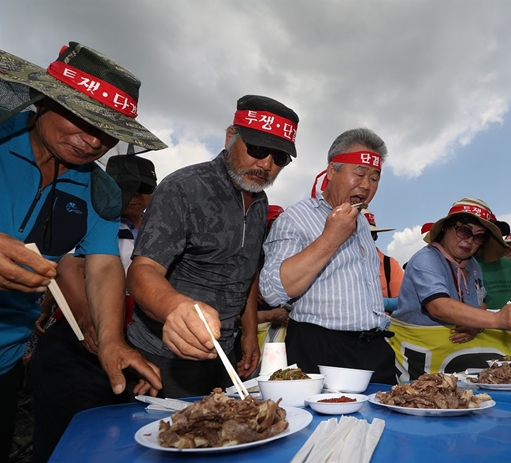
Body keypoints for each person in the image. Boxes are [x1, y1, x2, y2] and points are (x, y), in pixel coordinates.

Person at [0, 42, 165, 462]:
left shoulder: (100, 192)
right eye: (81, 118)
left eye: (108, 130)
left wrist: (109, 339)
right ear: (44, 98)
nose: (93, 140)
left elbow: (104, 264)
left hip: (6, 361)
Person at [126, 95, 299, 398]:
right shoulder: (184, 187)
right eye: (257, 149)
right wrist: (176, 308)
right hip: (165, 353)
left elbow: (246, 271)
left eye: (280, 157)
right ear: (232, 136)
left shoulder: (259, 201)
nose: (266, 164)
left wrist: (247, 333)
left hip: (226, 354)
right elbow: (142, 270)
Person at [29, 155, 157, 463]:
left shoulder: (155, 233)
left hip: (128, 346)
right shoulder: (89, 215)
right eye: (127, 188)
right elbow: (68, 266)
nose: (135, 197)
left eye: (144, 189)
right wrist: (89, 318)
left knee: (121, 444)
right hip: (82, 342)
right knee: (68, 443)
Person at [259, 128, 397, 384]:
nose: (366, 185)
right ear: (332, 171)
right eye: (359, 173)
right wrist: (330, 238)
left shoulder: (363, 224)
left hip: (374, 350)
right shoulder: (296, 218)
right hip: (321, 351)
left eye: (375, 178)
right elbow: (272, 291)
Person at [392, 198, 511, 342]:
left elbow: (481, 301)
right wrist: (496, 319)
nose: (470, 240)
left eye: (479, 236)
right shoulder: (425, 259)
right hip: (418, 346)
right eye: (465, 231)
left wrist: (476, 325)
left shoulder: (473, 265)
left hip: (452, 346)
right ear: (446, 228)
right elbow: (438, 306)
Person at [475, 219, 511, 310]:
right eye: (487, 234)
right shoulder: (469, 263)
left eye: (497, 233)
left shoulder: (506, 262)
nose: (494, 238)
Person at [361, 209, 404, 308]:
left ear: (375, 236)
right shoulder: (341, 261)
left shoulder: (389, 264)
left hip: (383, 321)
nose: (363, 238)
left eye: (369, 234)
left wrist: (372, 302)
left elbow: (403, 301)